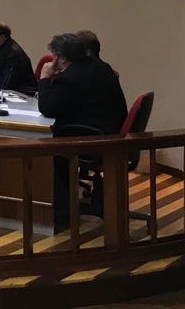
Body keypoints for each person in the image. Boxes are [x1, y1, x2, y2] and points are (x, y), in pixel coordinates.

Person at [38, 33, 127, 233]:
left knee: (46, 149)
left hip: (92, 139)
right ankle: (65, 204)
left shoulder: (71, 77)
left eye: (54, 56)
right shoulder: (100, 67)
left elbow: (48, 108)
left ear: (61, 58)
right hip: (110, 132)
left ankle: (61, 212)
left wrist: (44, 78)